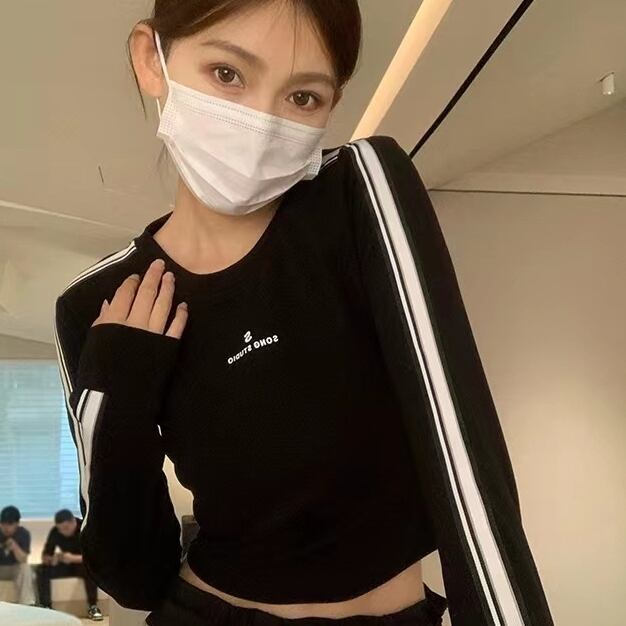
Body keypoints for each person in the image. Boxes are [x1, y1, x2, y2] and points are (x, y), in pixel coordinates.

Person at [52, 1, 554, 625]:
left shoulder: (359, 191)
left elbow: (466, 463)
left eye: (303, 97)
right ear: (151, 59)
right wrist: (119, 392)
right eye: (227, 74)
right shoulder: (95, 302)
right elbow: (134, 575)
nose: (262, 125)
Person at [35, 509, 103, 621]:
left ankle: (93, 606)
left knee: (89, 570)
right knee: (42, 569)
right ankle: (46, 606)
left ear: (73, 522)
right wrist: (53, 559)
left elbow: (94, 557)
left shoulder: (85, 529)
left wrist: (72, 558)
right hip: (66, 565)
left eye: (66, 528)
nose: (63, 532)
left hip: (82, 563)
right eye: (61, 529)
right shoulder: (56, 531)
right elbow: (46, 555)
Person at [0, 505, 36, 605]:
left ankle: (27, 603)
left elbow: (23, 559)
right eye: (3, 524)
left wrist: (15, 547)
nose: (6, 527)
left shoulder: (23, 534)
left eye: (10, 524)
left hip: (14, 568)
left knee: (26, 568)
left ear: (17, 524)